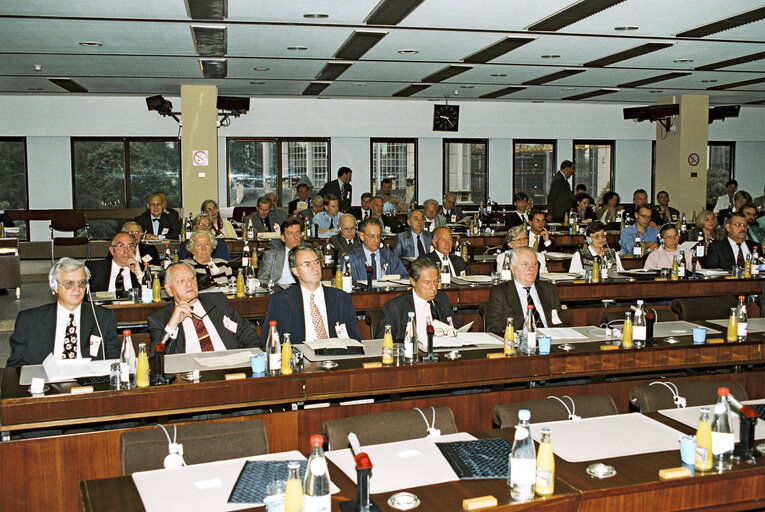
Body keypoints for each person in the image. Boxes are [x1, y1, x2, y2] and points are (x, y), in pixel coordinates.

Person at [7, 258, 120, 367]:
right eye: (69, 284)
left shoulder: (103, 317)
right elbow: (16, 365)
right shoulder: (29, 320)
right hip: (47, 380)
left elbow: (114, 359)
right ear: (54, 287)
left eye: (81, 283)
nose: (76, 289)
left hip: (89, 380)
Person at [147, 262, 259, 354]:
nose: (189, 284)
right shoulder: (160, 319)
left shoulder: (217, 302)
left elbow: (246, 331)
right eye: (181, 281)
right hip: (190, 373)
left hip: (227, 367)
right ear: (169, 290)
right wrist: (172, 325)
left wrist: (253, 356)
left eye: (192, 278)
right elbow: (157, 356)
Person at [261, 244, 361, 346]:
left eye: (317, 262)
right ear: (295, 270)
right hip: (300, 357)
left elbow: (354, 340)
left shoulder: (342, 298)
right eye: (307, 264)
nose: (315, 268)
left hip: (335, 355)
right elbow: (269, 343)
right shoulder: (281, 301)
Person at [376, 257, 461, 340]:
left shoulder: (442, 298)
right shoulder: (395, 307)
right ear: (413, 281)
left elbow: (455, 328)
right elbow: (382, 341)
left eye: (435, 281)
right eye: (427, 283)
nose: (433, 288)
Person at [485, 247, 566, 333]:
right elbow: (493, 329)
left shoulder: (549, 289)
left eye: (534, 264)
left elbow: (561, 323)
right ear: (512, 268)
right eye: (525, 264)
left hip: (549, 339)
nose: (531, 269)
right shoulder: (500, 292)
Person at [258, 217, 304, 285]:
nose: (295, 237)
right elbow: (262, 280)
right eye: (290, 233)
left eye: (298, 232)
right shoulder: (271, 255)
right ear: (283, 238)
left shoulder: (310, 254)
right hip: (279, 291)